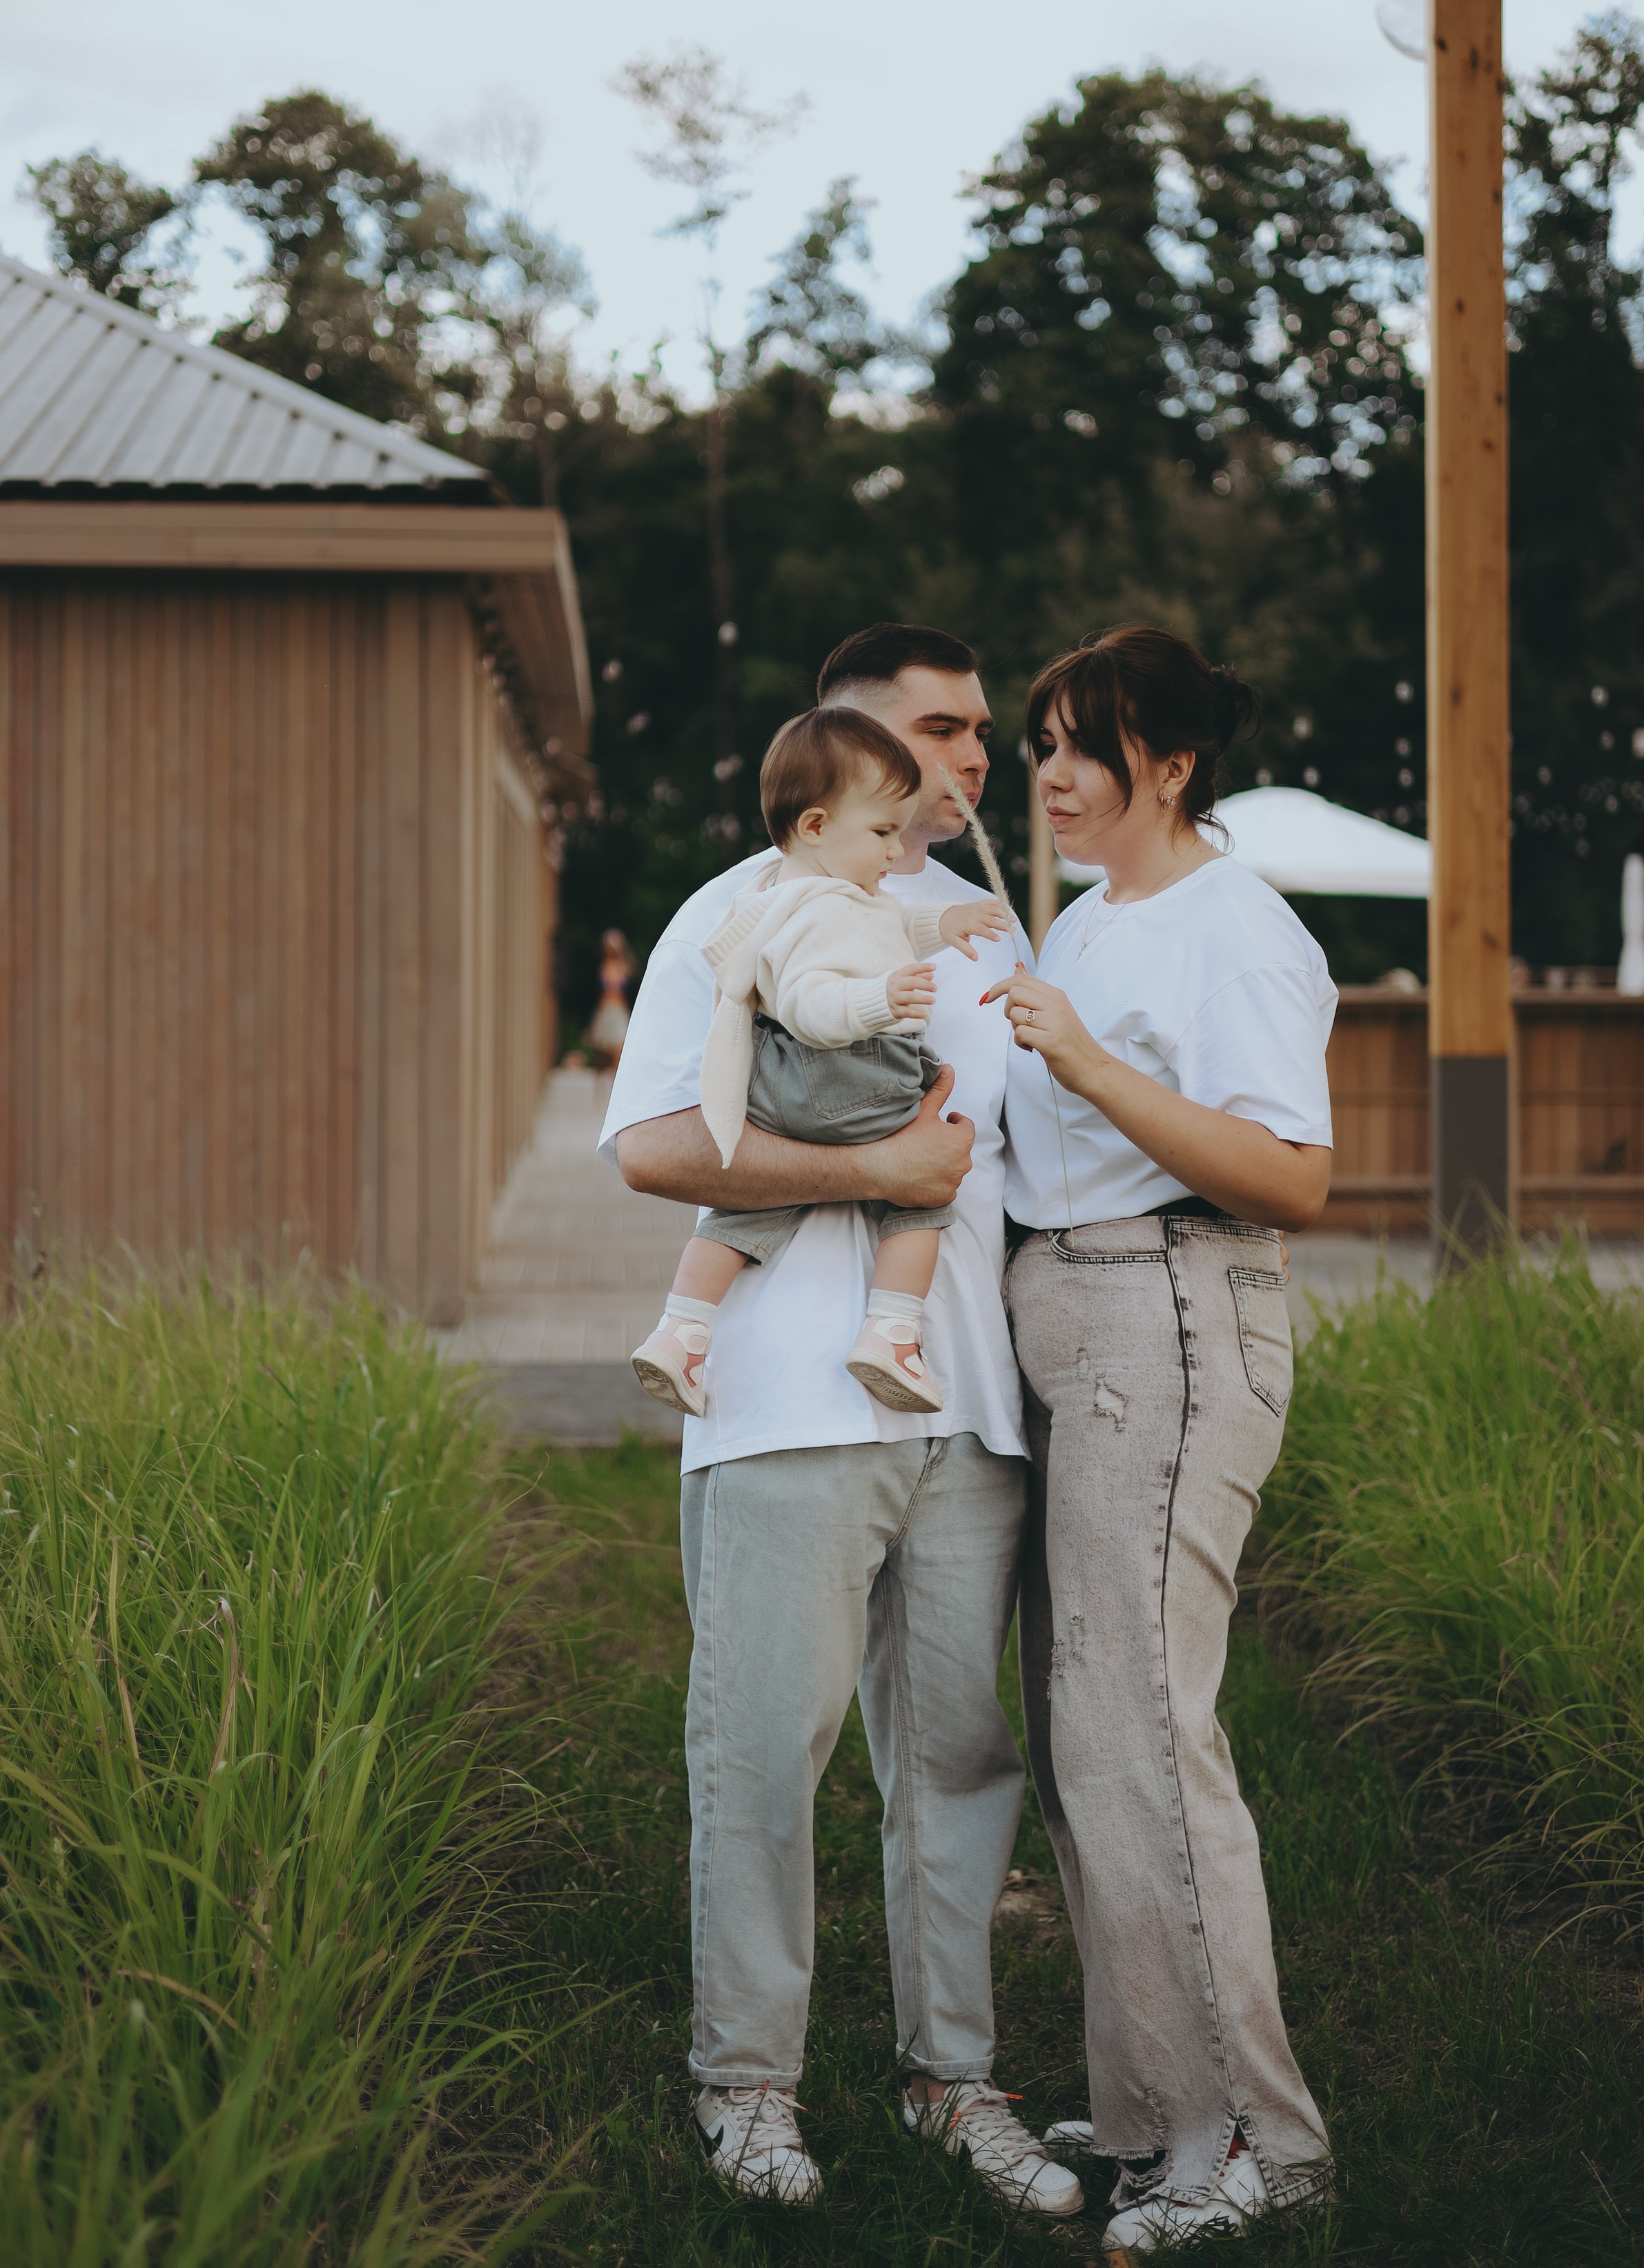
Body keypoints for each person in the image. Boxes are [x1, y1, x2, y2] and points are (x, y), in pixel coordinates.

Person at [600, 623, 1082, 2220]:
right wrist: (871, 1178)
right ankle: (747, 2086)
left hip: (965, 1412)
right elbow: (659, 1145)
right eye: (939, 729)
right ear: (844, 743)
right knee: (764, 1755)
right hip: (783, 1409)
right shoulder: (736, 912)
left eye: (976, 731)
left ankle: (955, 2078)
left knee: (955, 1757)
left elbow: (1017, 1168)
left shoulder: (992, 928)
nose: (973, 757)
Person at [991, 624, 1338, 2256]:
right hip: (1074, 1312)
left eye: (1080, 743)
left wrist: (1084, 1060)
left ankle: (1257, 2141)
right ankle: (1147, 2100)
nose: (1045, 771)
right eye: (1040, 741)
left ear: (1171, 763)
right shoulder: (1099, 912)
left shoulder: (1235, 925)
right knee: (1087, 1732)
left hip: (1176, 1316)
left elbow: (1289, 1174)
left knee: (1144, 1726)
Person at [629, 706, 1010, 1419]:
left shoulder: (802, 894)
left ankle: (681, 1330)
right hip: (846, 1073)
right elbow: (808, 1002)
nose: (895, 853)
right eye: (881, 833)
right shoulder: (817, 910)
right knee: (924, 1191)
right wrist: (879, 999)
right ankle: (892, 1332)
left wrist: (944, 924)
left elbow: (892, 923)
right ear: (813, 826)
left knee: (747, 1211)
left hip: (780, 1095)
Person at [585, 928, 637, 1068]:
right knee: (602, 1053)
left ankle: (615, 1085)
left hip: (619, 1010)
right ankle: (601, 1085)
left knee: (619, 1050)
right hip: (605, 1010)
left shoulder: (625, 968)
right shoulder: (603, 967)